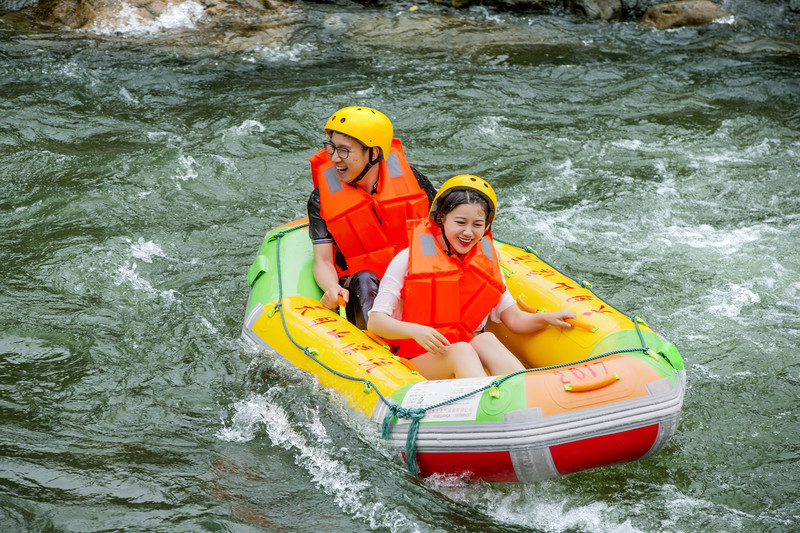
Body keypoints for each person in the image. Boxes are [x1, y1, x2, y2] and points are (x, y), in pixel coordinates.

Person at [367, 175, 576, 380]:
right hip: (415, 362)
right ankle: (486, 406)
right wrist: (416, 331)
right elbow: (375, 322)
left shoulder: (486, 263)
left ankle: (529, 392)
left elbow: (514, 319)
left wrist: (547, 318)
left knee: (485, 339)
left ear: (486, 226)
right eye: (460, 222)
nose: (468, 232)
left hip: (464, 356)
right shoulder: (407, 259)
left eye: (477, 224)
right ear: (441, 218)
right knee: (461, 351)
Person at [307, 106, 437, 329]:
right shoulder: (320, 198)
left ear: (374, 153)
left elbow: (439, 231)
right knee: (365, 278)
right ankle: (379, 345)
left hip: (410, 276)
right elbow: (323, 261)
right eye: (331, 147)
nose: (335, 158)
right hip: (363, 284)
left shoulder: (414, 181)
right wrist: (332, 287)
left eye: (344, 150)